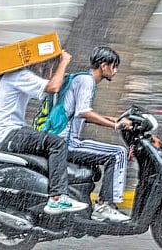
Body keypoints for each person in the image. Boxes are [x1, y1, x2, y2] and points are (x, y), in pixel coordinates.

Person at [0, 49, 88, 214]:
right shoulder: (20, 75)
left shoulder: (15, 76)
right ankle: (57, 197)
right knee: (56, 143)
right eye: (43, 62)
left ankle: (47, 194)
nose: (44, 66)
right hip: (8, 134)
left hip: (8, 133)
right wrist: (63, 62)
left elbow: (51, 84)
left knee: (49, 141)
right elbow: (53, 87)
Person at [58, 46, 132, 222]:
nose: (115, 71)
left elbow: (82, 114)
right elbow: (84, 112)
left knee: (113, 153)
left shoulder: (81, 79)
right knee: (118, 153)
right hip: (67, 142)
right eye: (114, 66)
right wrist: (115, 126)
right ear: (103, 66)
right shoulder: (87, 81)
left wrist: (115, 120)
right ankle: (104, 205)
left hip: (62, 140)